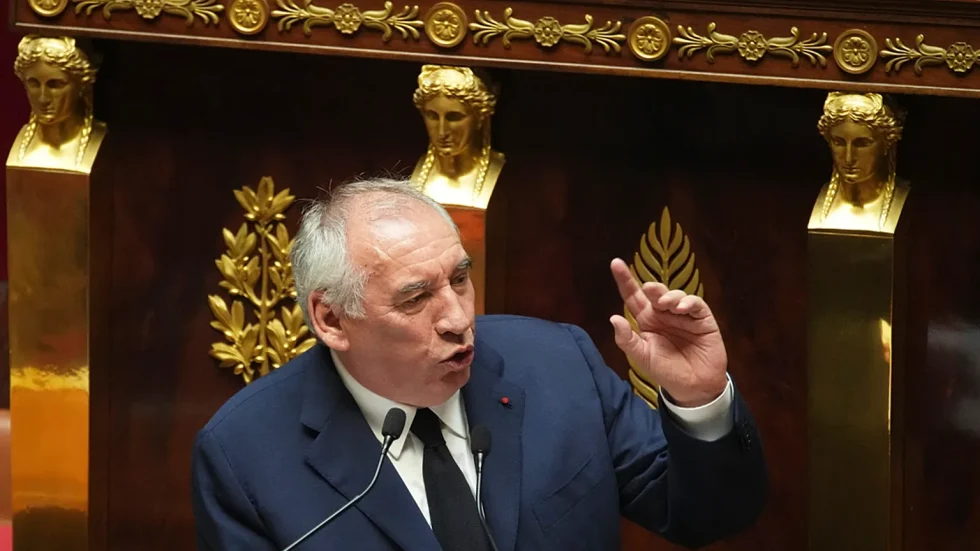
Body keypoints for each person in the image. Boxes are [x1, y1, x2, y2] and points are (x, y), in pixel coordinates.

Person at [191, 178, 768, 550]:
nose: (457, 318)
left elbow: (709, 516)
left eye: (460, 279)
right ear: (332, 319)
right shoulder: (244, 455)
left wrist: (700, 399)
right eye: (416, 298)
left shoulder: (557, 365)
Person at [809, 92, 908, 234]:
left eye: (862, 144)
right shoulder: (815, 202)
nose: (849, 158)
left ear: (887, 143)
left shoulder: (905, 199)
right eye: (839, 142)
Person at [9, 35, 106, 172]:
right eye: (34, 83)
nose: (43, 98)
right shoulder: (21, 148)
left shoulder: (99, 138)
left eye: (55, 85)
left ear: (81, 86)